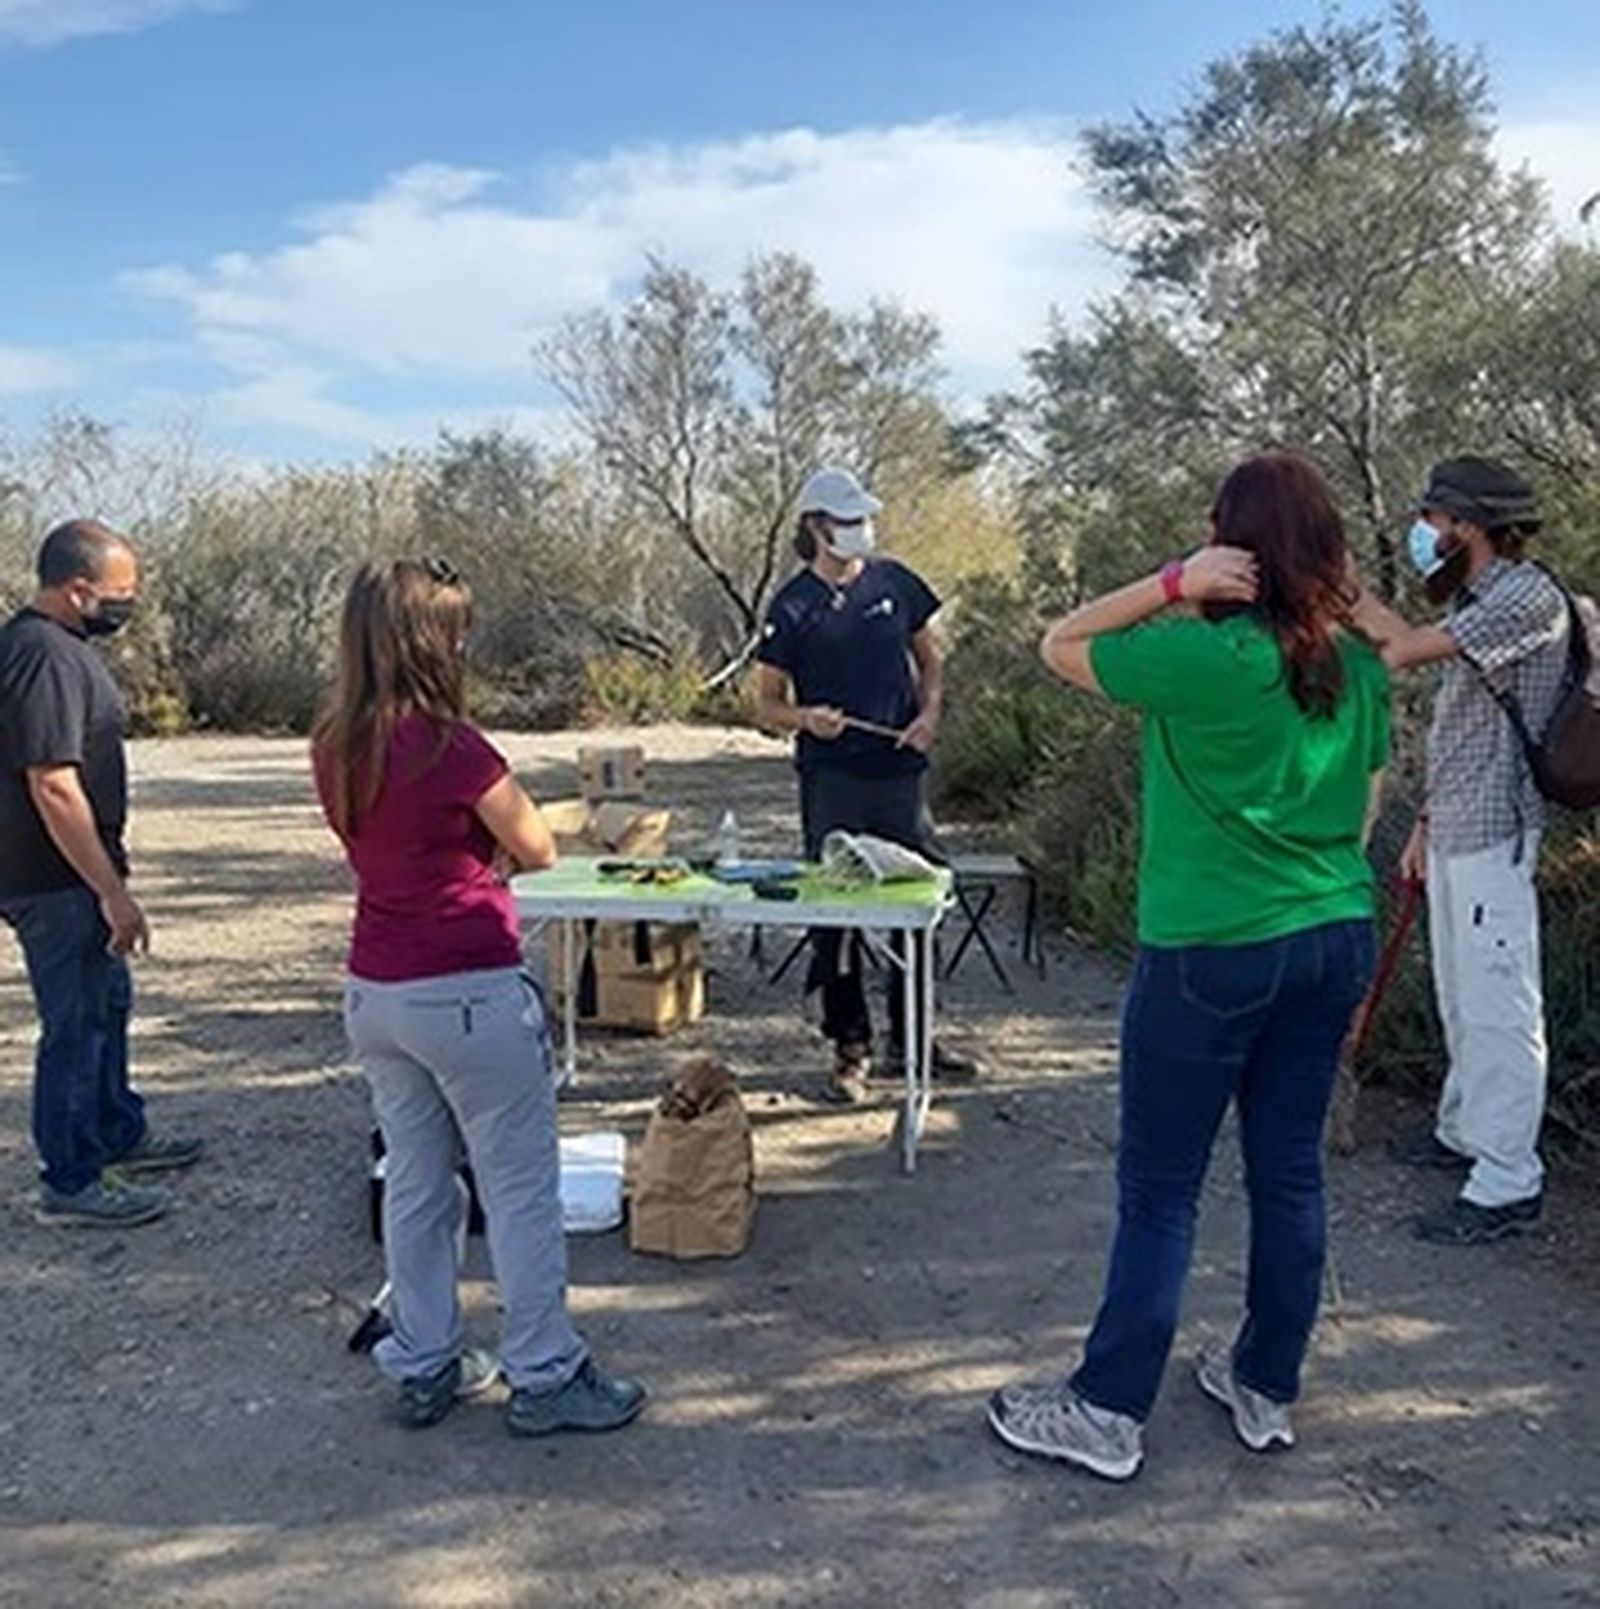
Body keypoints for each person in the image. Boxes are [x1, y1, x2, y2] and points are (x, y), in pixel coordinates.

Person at [988, 454, 1387, 1482]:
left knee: (1161, 1190)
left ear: (1233, 551)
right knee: (1287, 1170)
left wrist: (1173, 581)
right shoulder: (1360, 665)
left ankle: (1108, 1408)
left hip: (1210, 945)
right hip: (1332, 929)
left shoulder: (1200, 657)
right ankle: (1265, 1381)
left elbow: (1060, 641)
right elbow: (1373, 795)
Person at [312, 558, 645, 1435]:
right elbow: (536, 844)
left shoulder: (333, 743)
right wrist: (491, 853)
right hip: (467, 989)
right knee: (519, 1185)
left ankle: (424, 1359)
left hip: (376, 989)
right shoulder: (453, 746)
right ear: (431, 638)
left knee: (417, 1182)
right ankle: (544, 1370)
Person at [1350, 457, 1565, 1246]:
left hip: (1499, 835)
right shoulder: (1484, 595)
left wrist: (1346, 593)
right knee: (1459, 988)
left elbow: (1401, 650)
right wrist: (1427, 820)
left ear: (1468, 525)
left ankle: (1509, 1179)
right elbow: (1466, 727)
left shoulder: (1523, 597)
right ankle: (1467, 1132)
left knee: (1500, 1002)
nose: (1425, 535)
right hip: (1460, 827)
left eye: (1434, 521)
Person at [0, 520, 202, 1227]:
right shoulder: (42, 655)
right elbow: (52, 782)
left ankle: (118, 1131)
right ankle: (72, 1177)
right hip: (56, 881)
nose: (129, 603)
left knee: (108, 1000)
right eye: (120, 593)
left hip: (76, 875)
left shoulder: (63, 646)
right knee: (76, 1021)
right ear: (77, 588)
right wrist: (109, 890)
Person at [755, 466, 977, 1104]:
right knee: (837, 909)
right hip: (833, 778)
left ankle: (917, 1036)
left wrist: (929, 714)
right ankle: (849, 1047)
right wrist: (806, 719)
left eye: (862, 519)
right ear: (815, 527)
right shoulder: (791, 606)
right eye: (846, 521)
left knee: (919, 897)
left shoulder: (895, 582)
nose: (859, 531)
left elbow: (930, 659)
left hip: (901, 773)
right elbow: (766, 704)